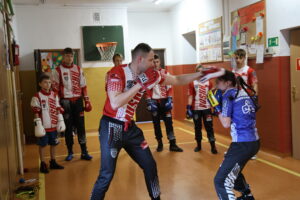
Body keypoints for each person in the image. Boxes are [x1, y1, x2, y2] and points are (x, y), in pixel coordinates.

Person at [90, 43, 224, 200]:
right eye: (151, 60)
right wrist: (140, 84)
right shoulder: (117, 72)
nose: (154, 63)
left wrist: (201, 74)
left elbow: (177, 79)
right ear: (140, 59)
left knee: (150, 165)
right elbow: (115, 103)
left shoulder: (152, 74)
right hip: (112, 126)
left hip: (130, 128)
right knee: (106, 175)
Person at [211, 70, 260, 200]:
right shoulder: (243, 92)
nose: (215, 84)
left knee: (220, 181)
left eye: (218, 81)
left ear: (227, 83)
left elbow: (226, 123)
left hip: (242, 144)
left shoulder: (228, 95)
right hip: (253, 142)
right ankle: (247, 196)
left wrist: (216, 107)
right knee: (233, 169)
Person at [52, 47, 93, 161]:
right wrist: (57, 105)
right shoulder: (57, 71)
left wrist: (87, 100)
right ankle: (70, 152)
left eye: (71, 56)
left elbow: (83, 86)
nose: (69, 58)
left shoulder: (79, 69)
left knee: (81, 127)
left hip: (78, 101)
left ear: (73, 57)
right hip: (65, 102)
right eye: (67, 56)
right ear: (63, 57)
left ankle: (84, 151)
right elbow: (55, 90)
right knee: (68, 128)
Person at [146, 54, 183, 152]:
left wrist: (170, 100)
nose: (155, 64)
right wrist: (149, 101)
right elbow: (147, 89)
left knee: (169, 123)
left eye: (157, 62)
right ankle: (160, 143)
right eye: (153, 62)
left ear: (160, 62)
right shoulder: (148, 75)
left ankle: (172, 144)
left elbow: (170, 87)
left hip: (164, 100)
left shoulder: (166, 73)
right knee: (156, 124)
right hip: (154, 101)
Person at [31, 74, 65, 173]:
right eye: (45, 82)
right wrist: (38, 125)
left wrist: (60, 121)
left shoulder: (54, 95)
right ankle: (42, 163)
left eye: (49, 82)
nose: (48, 84)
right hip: (44, 126)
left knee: (54, 144)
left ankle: (53, 161)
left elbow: (58, 108)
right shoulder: (37, 96)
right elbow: (36, 111)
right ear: (40, 84)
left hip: (53, 125)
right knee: (42, 145)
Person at [232, 48, 259, 160]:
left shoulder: (250, 70)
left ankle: (252, 151)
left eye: (238, 58)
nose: (237, 60)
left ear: (243, 58)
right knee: (235, 126)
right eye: (235, 58)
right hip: (235, 102)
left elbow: (255, 85)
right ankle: (236, 149)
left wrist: (255, 98)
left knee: (249, 126)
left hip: (247, 102)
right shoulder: (233, 71)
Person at [186, 64, 217, 154]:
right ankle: (199, 146)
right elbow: (191, 96)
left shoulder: (209, 82)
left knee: (209, 127)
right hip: (196, 109)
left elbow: (211, 96)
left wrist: (215, 107)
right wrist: (188, 108)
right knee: (197, 127)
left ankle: (213, 146)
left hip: (207, 108)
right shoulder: (192, 83)